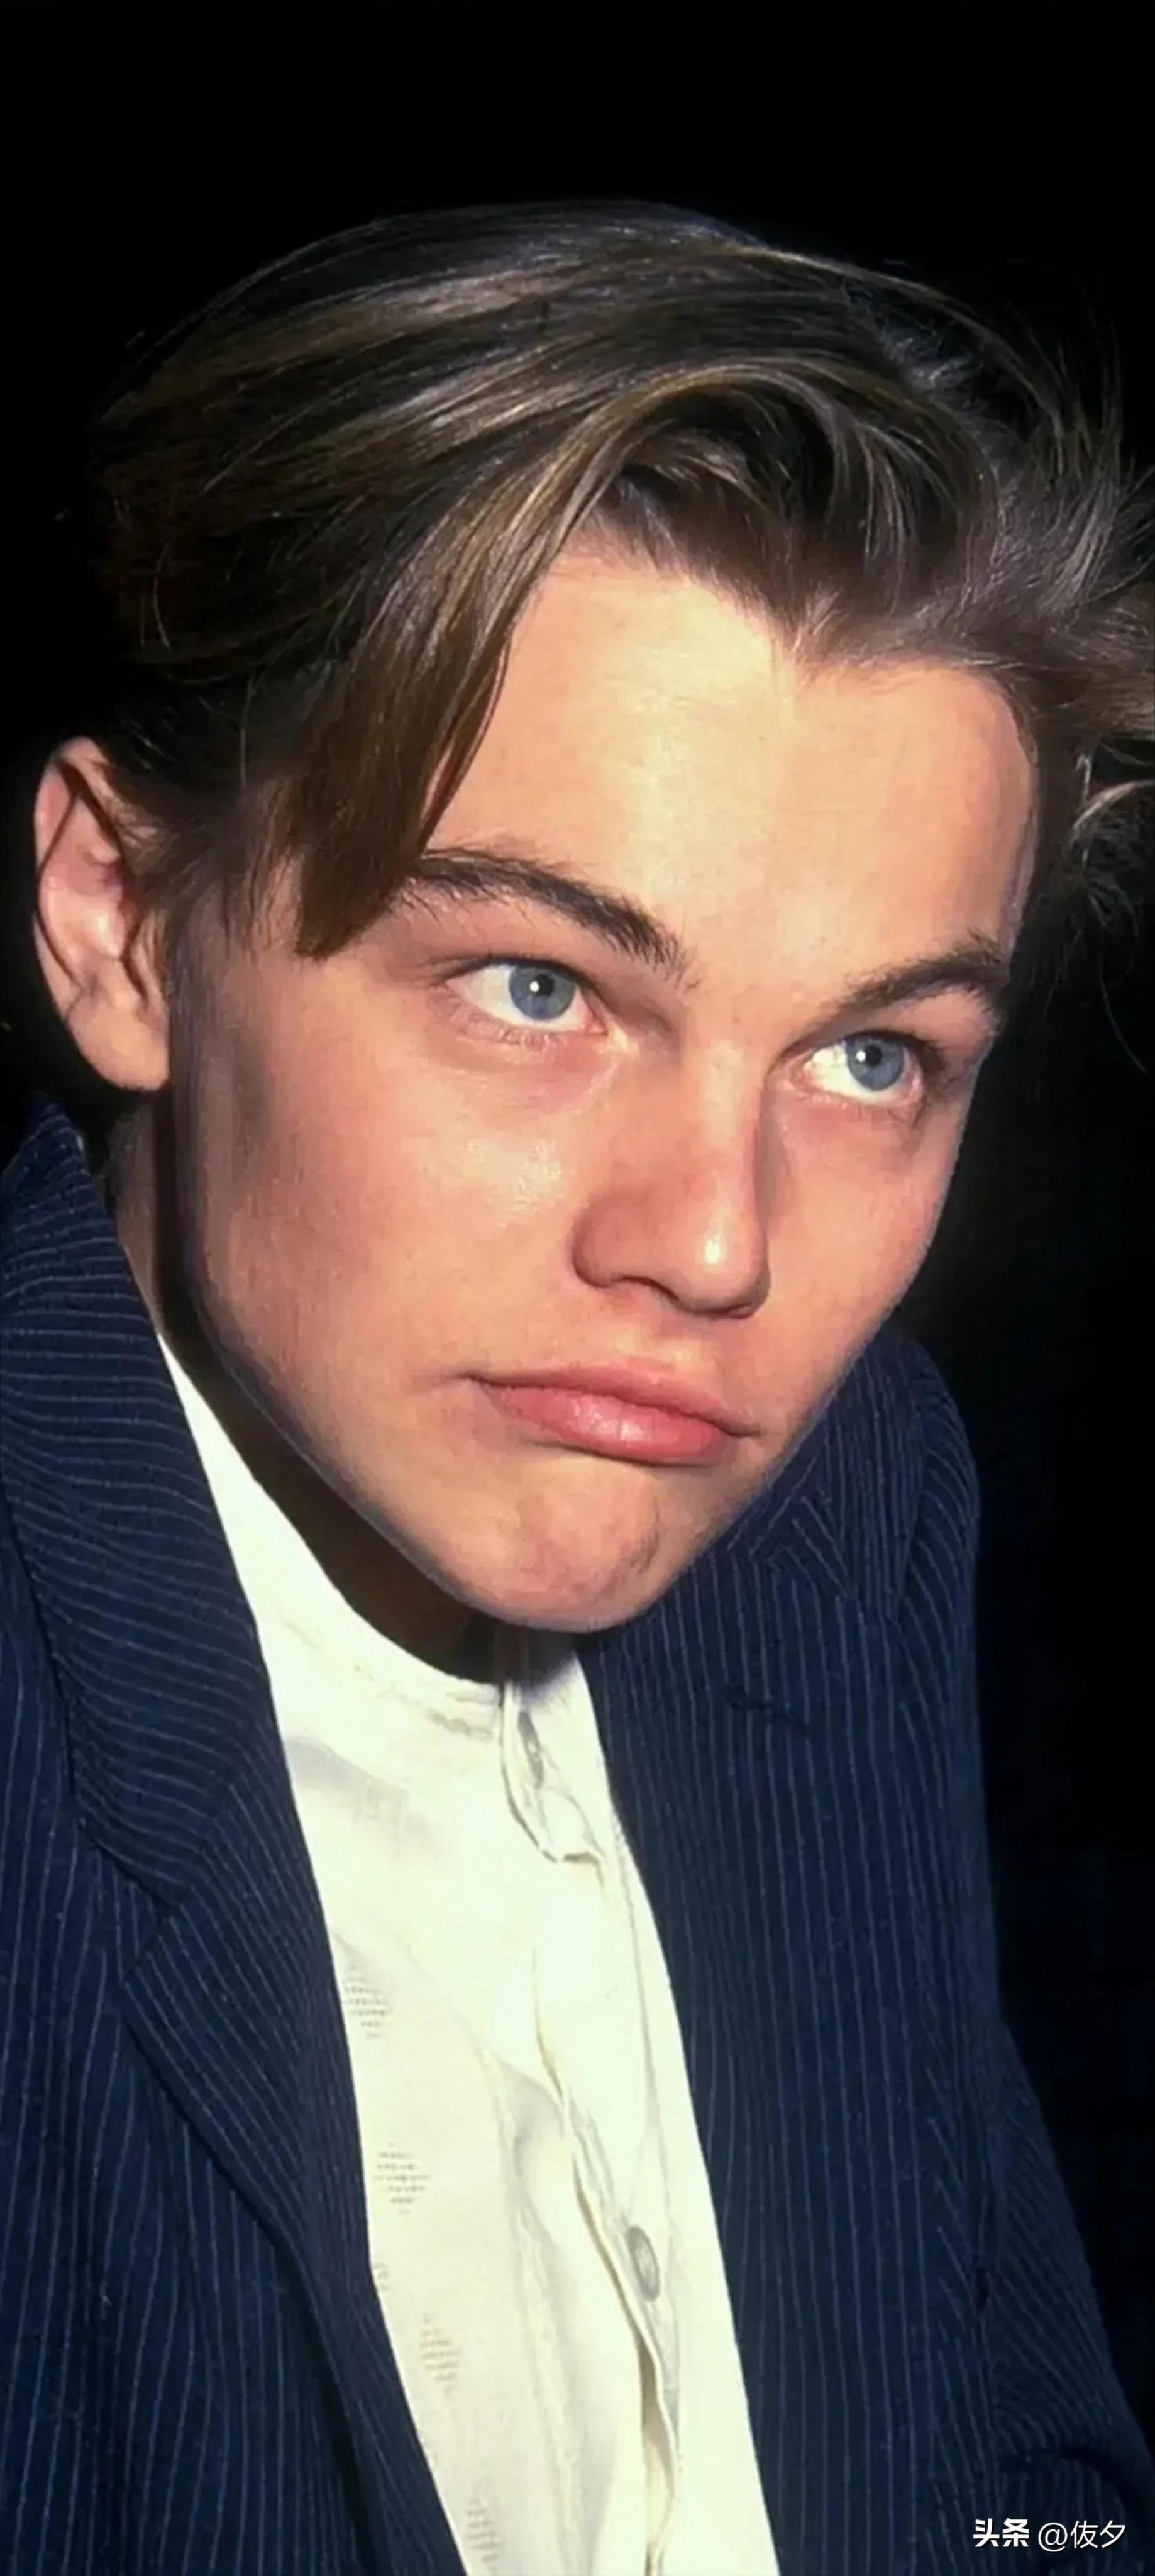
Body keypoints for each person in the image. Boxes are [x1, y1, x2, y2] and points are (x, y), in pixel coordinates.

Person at [1, 199, 1151, 2576]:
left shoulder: (843, 1509)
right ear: (120, 921)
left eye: (870, 1055)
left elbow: (1016, 2478)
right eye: (540, 988)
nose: (718, 1249)